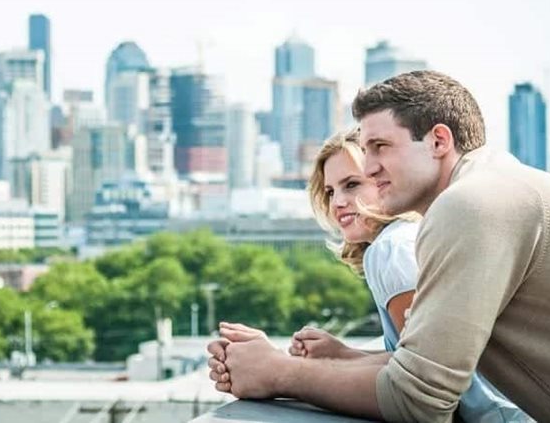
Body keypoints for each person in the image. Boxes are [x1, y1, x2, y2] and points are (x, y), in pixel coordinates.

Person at [209, 71, 550, 422]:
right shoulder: (498, 187)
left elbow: (420, 400)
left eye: (379, 147)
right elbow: (426, 367)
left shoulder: (471, 205)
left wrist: (276, 373)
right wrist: (342, 358)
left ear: (438, 141)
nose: (369, 169)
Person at [212, 128, 532, 422]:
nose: (338, 202)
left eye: (352, 184)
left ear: (383, 181)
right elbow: (425, 357)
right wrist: (344, 356)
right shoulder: (412, 236)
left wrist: (275, 370)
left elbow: (425, 384)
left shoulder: (392, 248)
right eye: (329, 191)